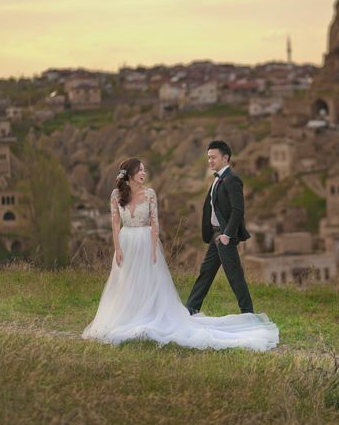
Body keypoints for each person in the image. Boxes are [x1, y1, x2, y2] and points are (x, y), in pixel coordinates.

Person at [82, 157, 278, 351]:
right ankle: (128, 315)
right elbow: (115, 224)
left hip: (145, 241)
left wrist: (153, 249)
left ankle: (154, 314)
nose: (144, 173)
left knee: (149, 280)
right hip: (126, 241)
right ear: (130, 174)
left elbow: (154, 223)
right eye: (140, 170)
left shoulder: (150, 194)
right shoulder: (116, 195)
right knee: (126, 281)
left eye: (144, 169)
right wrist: (117, 248)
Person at [186, 140, 253, 315]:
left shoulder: (232, 179)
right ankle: (190, 310)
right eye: (208, 157)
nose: (210, 161)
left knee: (234, 275)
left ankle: (248, 313)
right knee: (206, 272)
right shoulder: (217, 179)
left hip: (224, 236)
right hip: (216, 234)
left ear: (225, 157)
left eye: (213, 157)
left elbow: (237, 210)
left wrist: (227, 235)